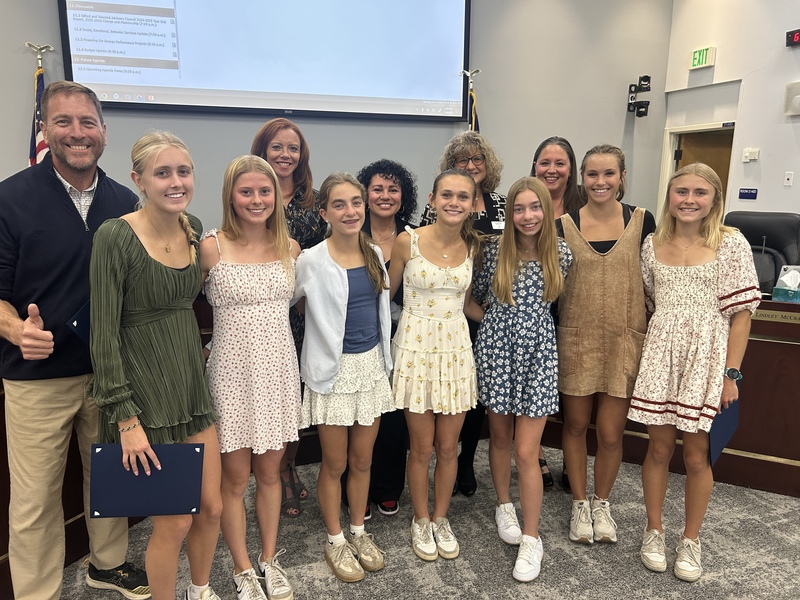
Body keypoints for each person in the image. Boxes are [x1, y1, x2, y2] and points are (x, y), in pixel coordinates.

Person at [0, 80, 148, 600]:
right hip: (36, 380)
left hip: (108, 376)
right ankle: (37, 592)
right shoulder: (10, 198)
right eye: (62, 122)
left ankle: (106, 565)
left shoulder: (125, 201)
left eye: (87, 122)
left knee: (108, 478)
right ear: (45, 129)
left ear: (103, 132)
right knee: (36, 498)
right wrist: (16, 328)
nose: (76, 133)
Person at [90, 131, 223, 600]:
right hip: (143, 395)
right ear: (138, 180)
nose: (175, 181)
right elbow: (102, 333)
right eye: (162, 173)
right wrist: (125, 418)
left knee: (211, 507)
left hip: (189, 386)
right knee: (174, 520)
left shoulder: (193, 227)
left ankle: (199, 589)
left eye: (183, 171)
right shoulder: (114, 236)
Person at [628, 163, 760, 582]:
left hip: (707, 356)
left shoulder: (731, 243)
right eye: (680, 191)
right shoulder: (651, 244)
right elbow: (649, 304)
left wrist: (730, 375)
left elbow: (742, 316)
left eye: (699, 193)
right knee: (659, 449)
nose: (689, 200)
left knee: (696, 454)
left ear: (714, 200)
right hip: (662, 354)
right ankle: (654, 529)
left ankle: (690, 539)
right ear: (669, 196)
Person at [200, 155, 301, 600]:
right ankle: (243, 568)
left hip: (278, 373)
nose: (257, 199)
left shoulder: (291, 248)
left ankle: (269, 559)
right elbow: (176, 308)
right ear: (230, 196)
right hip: (231, 377)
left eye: (265, 191)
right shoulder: (210, 247)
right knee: (234, 481)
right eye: (247, 191)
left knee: (272, 474)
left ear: (276, 195)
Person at [293, 172, 394, 583]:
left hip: (370, 368)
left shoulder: (372, 251)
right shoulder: (311, 260)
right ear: (325, 212)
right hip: (333, 375)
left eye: (356, 202)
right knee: (334, 463)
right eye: (339, 204)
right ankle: (335, 539)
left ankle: (358, 530)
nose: (350, 210)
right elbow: (294, 304)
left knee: (362, 460)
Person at [472, 177, 572, 582]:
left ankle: (533, 538)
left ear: (546, 211)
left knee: (527, 452)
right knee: (498, 437)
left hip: (540, 359)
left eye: (535, 208)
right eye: (518, 208)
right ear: (508, 213)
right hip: (497, 355)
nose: (527, 216)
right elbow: (472, 300)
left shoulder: (561, 254)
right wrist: (498, 325)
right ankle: (503, 504)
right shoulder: (492, 252)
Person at [556, 144, 656, 546]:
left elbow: (656, 278)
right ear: (582, 178)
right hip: (576, 340)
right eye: (592, 174)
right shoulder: (562, 224)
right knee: (577, 425)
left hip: (623, 342)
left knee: (612, 434)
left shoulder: (642, 222)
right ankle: (580, 503)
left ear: (622, 176)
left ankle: (602, 502)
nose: (600, 182)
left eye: (608, 174)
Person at [389, 168, 484, 562]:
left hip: (456, 352)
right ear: (432, 199)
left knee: (450, 447)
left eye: (463, 197)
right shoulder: (406, 240)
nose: (454, 202)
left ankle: (441, 517)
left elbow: (465, 305)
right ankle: (421, 518)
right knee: (422, 447)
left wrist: (505, 320)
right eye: (447, 195)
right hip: (415, 349)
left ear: (473, 204)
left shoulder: (473, 246)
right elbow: (386, 296)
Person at [419, 130, 504, 497]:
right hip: (450, 310)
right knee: (444, 395)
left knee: (473, 397)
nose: (470, 165)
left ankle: (465, 462)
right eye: (461, 161)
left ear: (488, 164)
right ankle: (436, 462)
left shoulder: (502, 204)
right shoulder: (435, 208)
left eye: (476, 159)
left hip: (491, 309)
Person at [251, 118, 324, 517]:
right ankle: (269, 473)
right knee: (267, 399)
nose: (284, 155)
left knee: (294, 400)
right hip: (260, 318)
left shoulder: (312, 206)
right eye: (276, 147)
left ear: (302, 155)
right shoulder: (251, 195)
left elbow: (318, 262)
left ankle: (288, 467)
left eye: (292, 148)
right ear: (262, 151)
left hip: (300, 317)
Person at [347, 158, 418, 518]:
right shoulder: (348, 235)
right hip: (358, 338)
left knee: (393, 417)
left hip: (404, 337)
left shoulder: (415, 237)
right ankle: (355, 486)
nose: (385, 195)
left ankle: (389, 487)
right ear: (365, 194)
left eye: (393, 189)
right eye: (377, 189)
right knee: (357, 413)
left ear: (403, 196)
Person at [531, 135, 584, 490]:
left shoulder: (583, 211)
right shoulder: (524, 204)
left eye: (559, 163)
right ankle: (535, 456)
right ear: (534, 167)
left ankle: (572, 460)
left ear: (571, 170)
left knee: (570, 393)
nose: (551, 170)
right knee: (534, 391)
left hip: (574, 312)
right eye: (544, 163)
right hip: (534, 315)